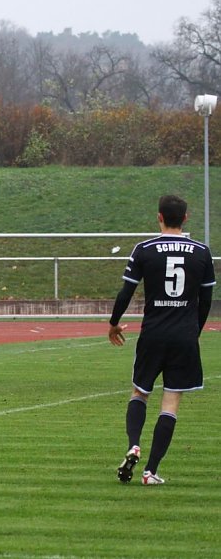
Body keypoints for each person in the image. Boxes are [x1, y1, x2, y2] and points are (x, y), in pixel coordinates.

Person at [109, 194, 215, 485]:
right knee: (170, 403)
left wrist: (114, 323)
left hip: (152, 333)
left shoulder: (144, 249)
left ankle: (133, 444)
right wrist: (193, 331)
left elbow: (126, 292)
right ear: (185, 218)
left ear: (159, 217)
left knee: (140, 392)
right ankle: (150, 471)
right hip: (184, 336)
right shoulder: (202, 252)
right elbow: (206, 301)